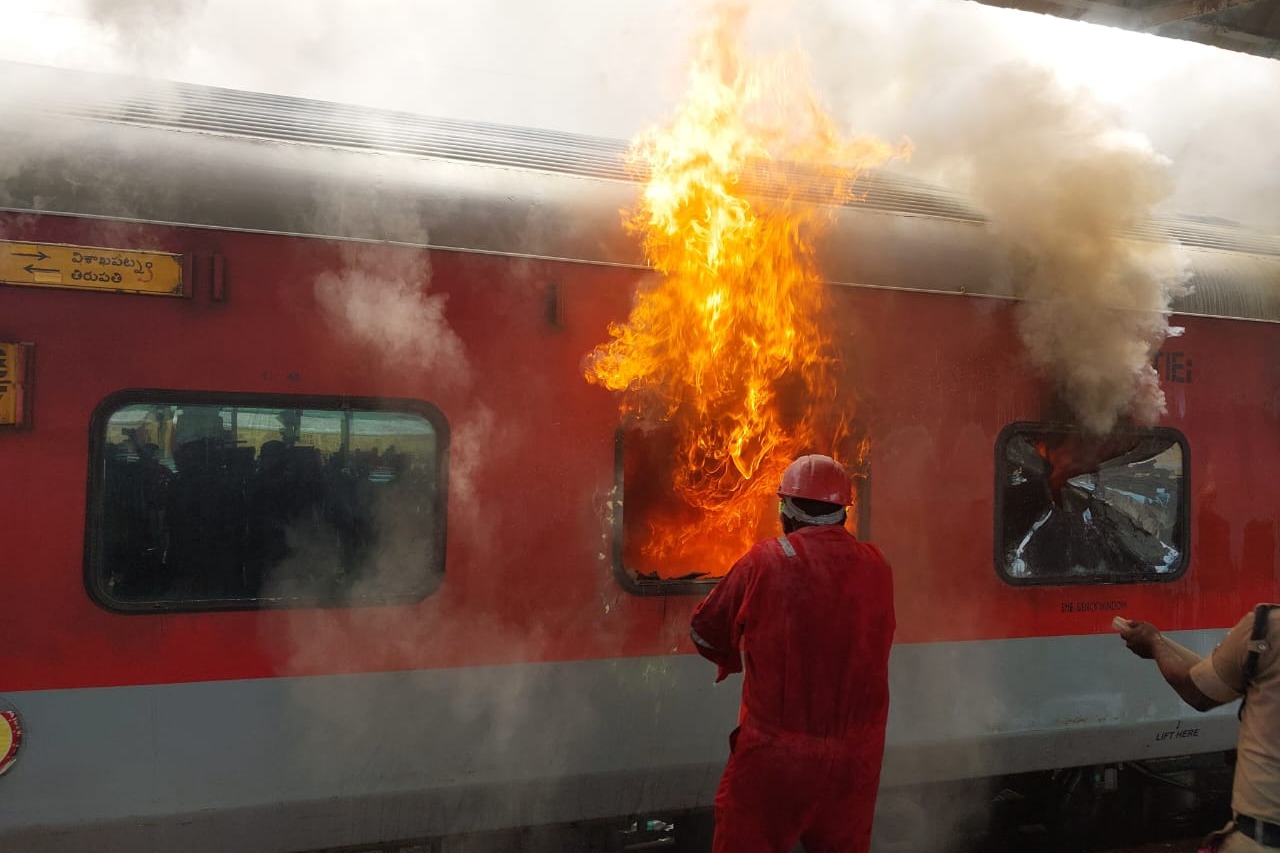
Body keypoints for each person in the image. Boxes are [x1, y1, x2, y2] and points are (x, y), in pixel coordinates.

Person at [690, 453, 896, 853]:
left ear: (785, 511)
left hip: (776, 761)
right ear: (843, 514)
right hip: (856, 762)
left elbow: (705, 631)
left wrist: (730, 660)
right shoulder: (879, 565)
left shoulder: (765, 561)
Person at [1119, 605, 1280, 851]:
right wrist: (1159, 642)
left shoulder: (1266, 629)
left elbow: (1198, 692)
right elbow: (1213, 677)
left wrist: (1154, 644)